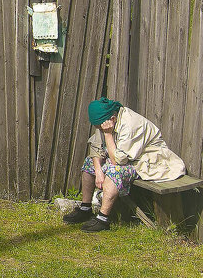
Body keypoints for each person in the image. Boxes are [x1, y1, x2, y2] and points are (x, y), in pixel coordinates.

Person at [62, 98, 186, 232]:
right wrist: (98, 171)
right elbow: (96, 147)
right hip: (126, 160)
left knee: (115, 170)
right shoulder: (104, 121)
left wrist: (108, 135)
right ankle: (85, 208)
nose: (98, 129)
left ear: (113, 119)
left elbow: (118, 161)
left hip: (148, 163)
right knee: (89, 163)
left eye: (99, 127)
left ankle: (103, 219)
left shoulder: (131, 124)